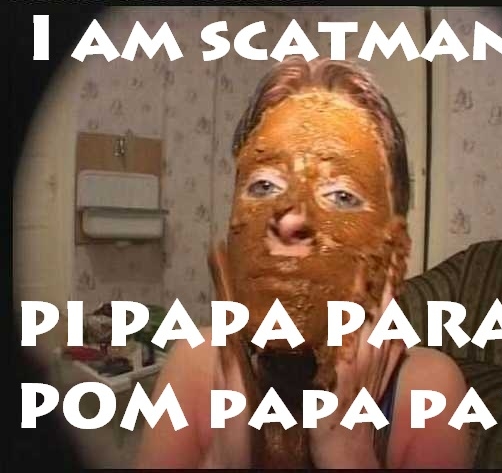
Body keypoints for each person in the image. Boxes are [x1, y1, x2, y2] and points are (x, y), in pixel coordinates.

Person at [135, 57, 471, 469]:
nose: (291, 218)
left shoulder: (428, 394)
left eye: (341, 195)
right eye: (264, 185)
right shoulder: (194, 366)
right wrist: (225, 457)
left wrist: (348, 454)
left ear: (393, 246)